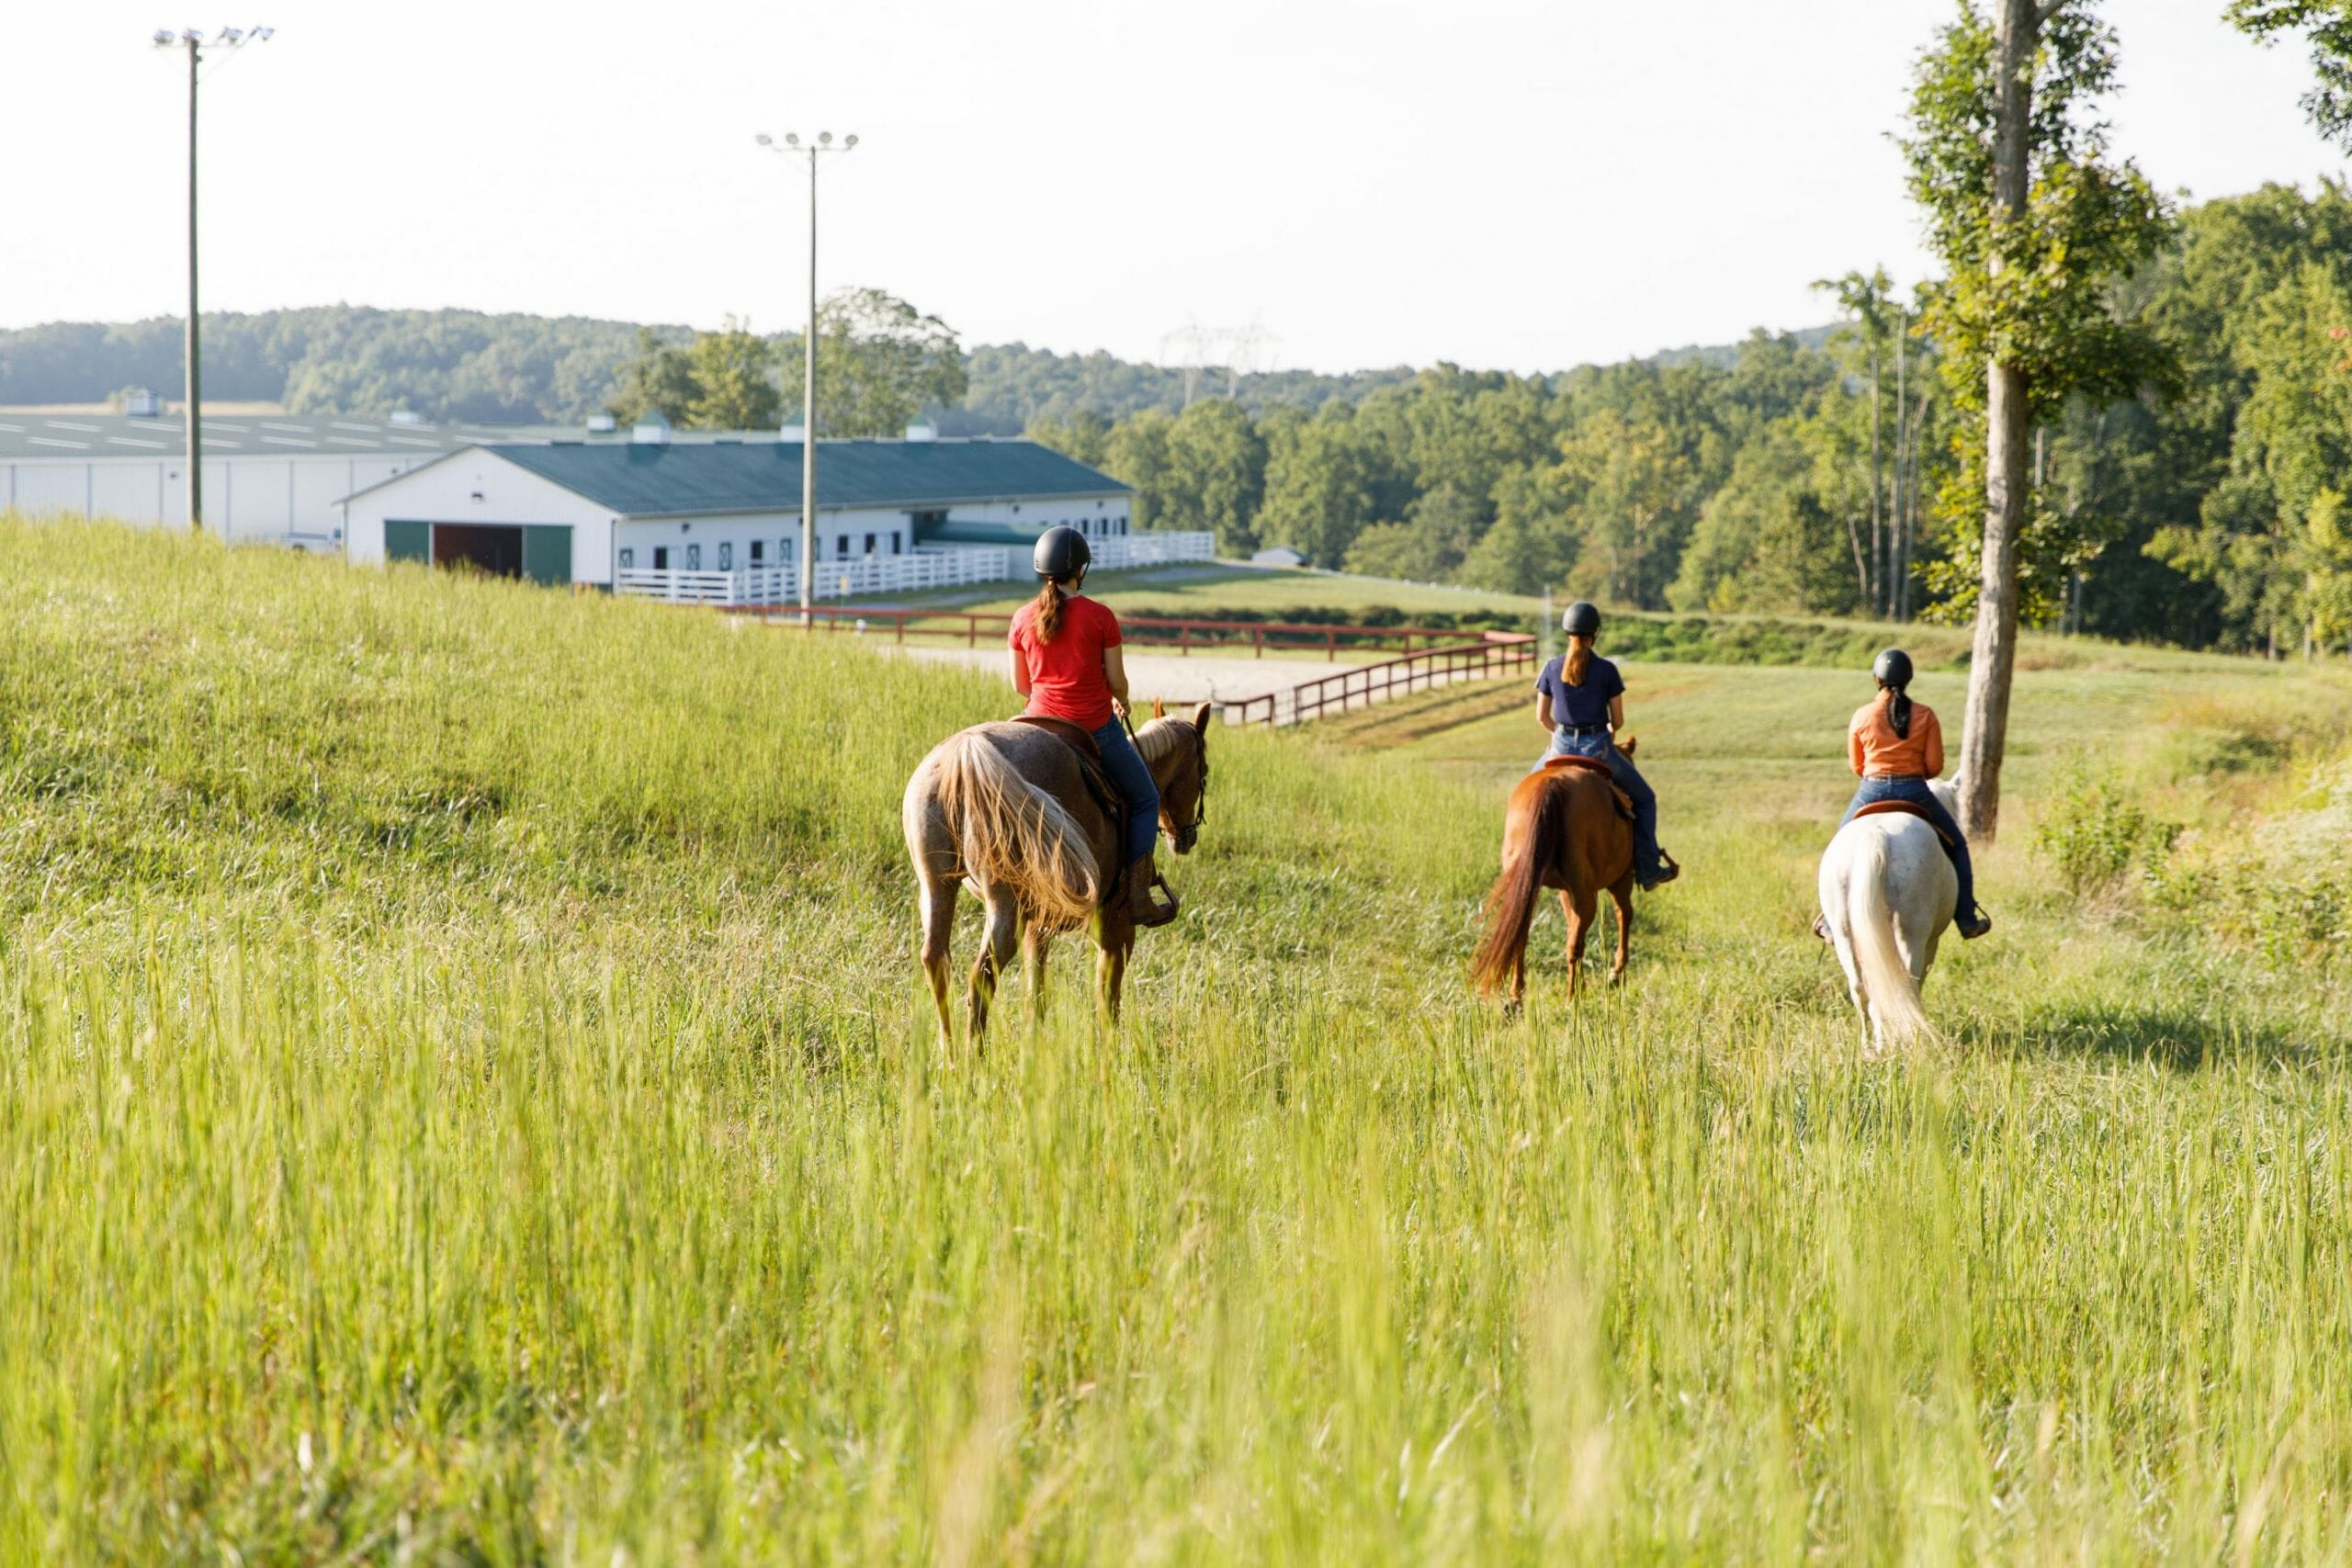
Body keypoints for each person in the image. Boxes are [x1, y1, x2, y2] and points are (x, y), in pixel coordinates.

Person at [1007, 525, 1179, 927]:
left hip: (1036, 725)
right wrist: (1121, 697)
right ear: (1080, 571)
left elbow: (1021, 686)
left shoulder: (1021, 617)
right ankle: (1137, 894)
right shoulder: (1100, 616)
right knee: (1145, 799)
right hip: (1092, 728)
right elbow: (1117, 681)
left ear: (1041, 569)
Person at [1829, 648, 1992, 940]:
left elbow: (1857, 766)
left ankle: (1830, 921)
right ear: (1908, 679)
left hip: (1871, 789)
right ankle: (1966, 917)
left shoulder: (1862, 715)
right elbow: (1934, 767)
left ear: (1876, 680)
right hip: (1915, 790)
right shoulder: (1925, 715)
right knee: (1957, 846)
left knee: (1836, 847)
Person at [1532, 601, 1679, 890]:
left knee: (1525, 793)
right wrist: (1607, 732)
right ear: (1595, 633)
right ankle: (1648, 868)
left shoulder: (1551, 667)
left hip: (1559, 747)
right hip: (1598, 747)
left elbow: (1541, 717)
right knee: (1646, 799)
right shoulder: (1607, 670)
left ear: (1566, 632)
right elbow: (1619, 720)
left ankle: (1517, 858)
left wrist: (1560, 734)